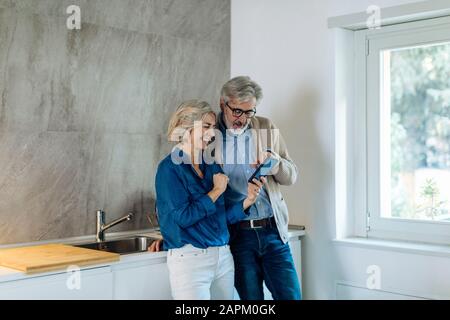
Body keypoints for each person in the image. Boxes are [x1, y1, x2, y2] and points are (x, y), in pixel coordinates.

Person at [154, 100, 263, 300]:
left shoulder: (211, 165)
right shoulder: (169, 169)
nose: (212, 134)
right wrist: (215, 192)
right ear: (185, 128)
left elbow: (221, 217)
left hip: (223, 257)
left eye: (213, 127)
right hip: (190, 262)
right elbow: (182, 217)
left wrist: (247, 201)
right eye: (205, 127)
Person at [217, 76, 302, 300]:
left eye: (249, 112)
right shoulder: (209, 136)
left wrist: (274, 161)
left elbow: (291, 175)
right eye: (237, 111)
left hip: (273, 232)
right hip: (238, 237)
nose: (243, 119)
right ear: (222, 104)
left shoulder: (265, 127)